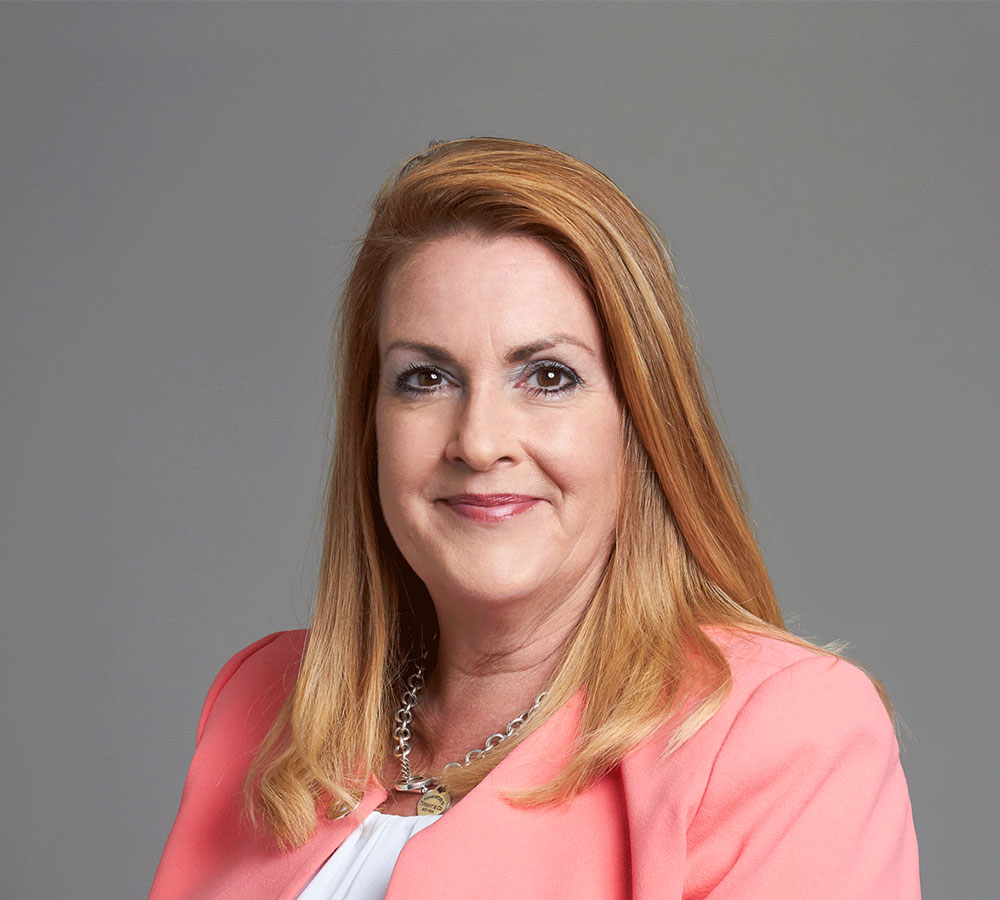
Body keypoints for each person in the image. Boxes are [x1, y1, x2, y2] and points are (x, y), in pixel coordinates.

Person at [148, 137, 920, 900]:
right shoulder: (263, 707)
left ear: (641, 421)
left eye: (548, 376)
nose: (479, 442)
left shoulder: (782, 732)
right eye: (425, 377)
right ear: (372, 424)